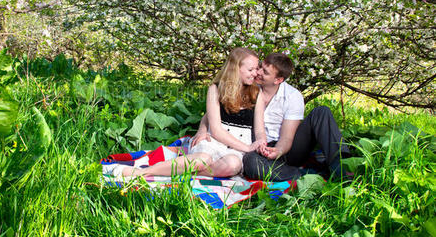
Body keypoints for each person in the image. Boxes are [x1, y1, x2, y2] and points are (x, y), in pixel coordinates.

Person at [104, 47, 262, 179]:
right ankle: (142, 172)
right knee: (202, 159)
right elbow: (217, 129)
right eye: (251, 69)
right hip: (215, 140)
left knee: (233, 165)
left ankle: (183, 170)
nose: (256, 73)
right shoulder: (216, 89)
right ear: (235, 69)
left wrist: (258, 143)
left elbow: (259, 128)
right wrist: (203, 130)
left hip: (238, 146)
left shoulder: (257, 93)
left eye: (256, 68)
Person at [241, 53, 350, 181]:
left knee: (322, 112)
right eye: (260, 67)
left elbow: (287, 137)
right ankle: (306, 175)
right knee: (250, 163)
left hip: (287, 149)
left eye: (264, 72)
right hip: (257, 150)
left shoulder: (292, 96)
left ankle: (342, 169)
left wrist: (278, 151)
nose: (257, 72)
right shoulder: (247, 88)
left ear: (278, 80)